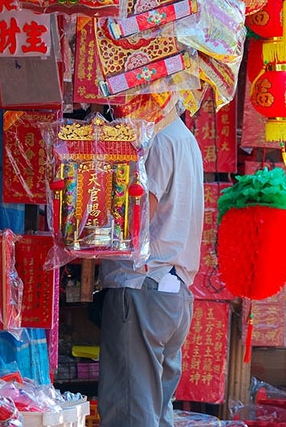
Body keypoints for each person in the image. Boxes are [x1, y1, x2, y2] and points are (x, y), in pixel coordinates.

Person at [97, 109, 205, 427]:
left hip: (143, 285)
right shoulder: (185, 139)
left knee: (131, 411)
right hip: (174, 291)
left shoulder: (157, 140)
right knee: (156, 410)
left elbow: (137, 218)